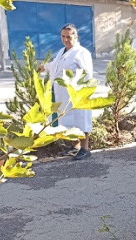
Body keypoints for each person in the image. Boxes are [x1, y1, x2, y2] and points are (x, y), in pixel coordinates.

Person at [39, 23, 93, 161]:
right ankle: (74, 146)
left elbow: (87, 73)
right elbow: (56, 66)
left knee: (81, 120)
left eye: (69, 37)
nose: (65, 39)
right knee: (68, 120)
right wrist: (44, 67)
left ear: (76, 36)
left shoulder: (82, 53)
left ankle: (85, 149)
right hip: (63, 94)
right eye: (63, 36)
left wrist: (80, 88)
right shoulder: (62, 51)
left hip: (76, 93)